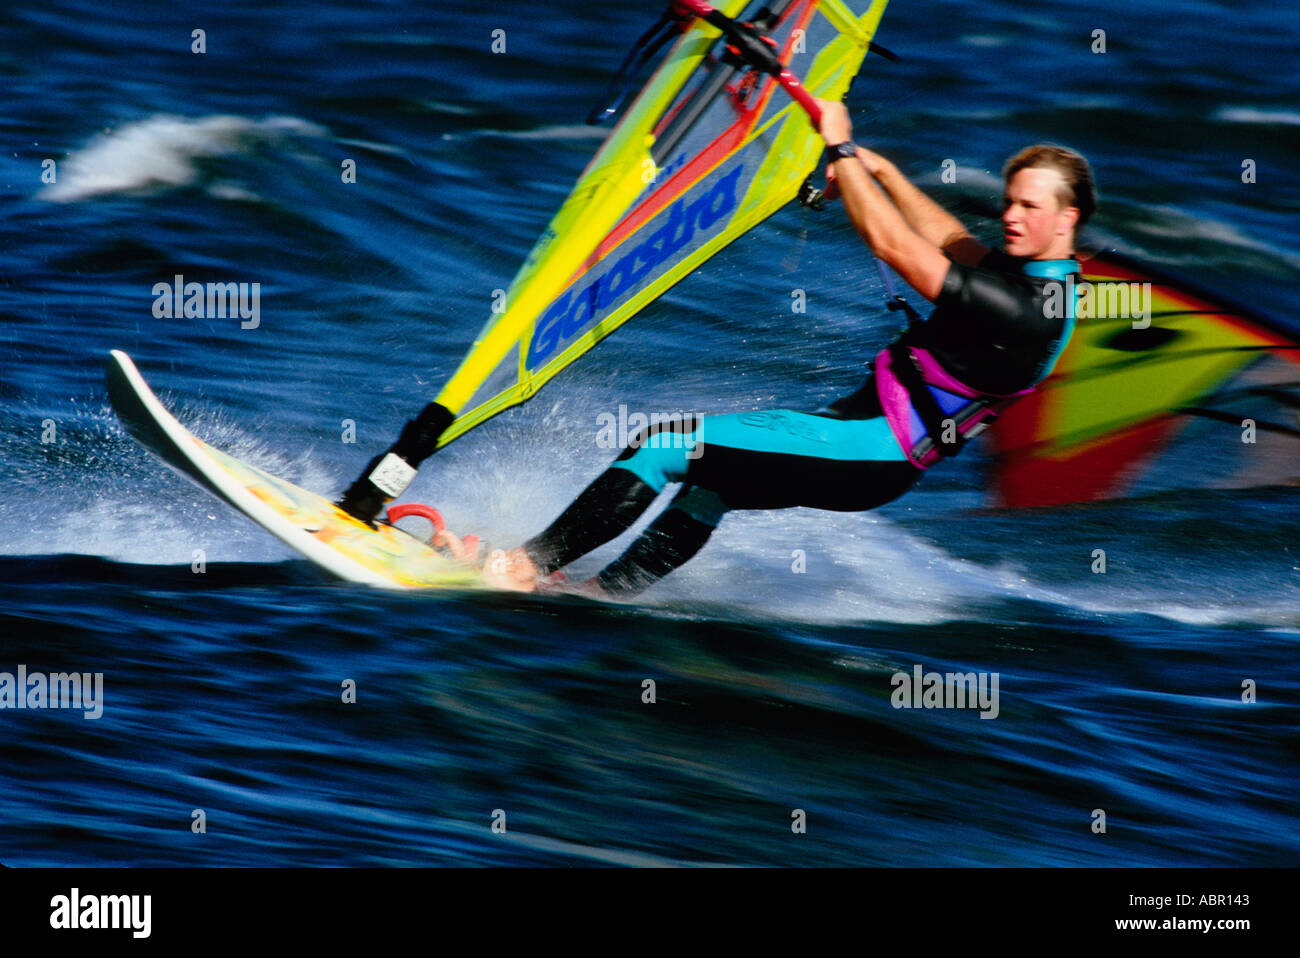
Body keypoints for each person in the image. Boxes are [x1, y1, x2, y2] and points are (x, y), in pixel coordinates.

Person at [443, 98, 1096, 596]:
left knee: (666, 445)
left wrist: (840, 150)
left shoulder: (1031, 310)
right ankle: (603, 596)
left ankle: (524, 566)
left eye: (1030, 208)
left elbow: (902, 251)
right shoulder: (1036, 276)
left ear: (1068, 219)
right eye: (1010, 202)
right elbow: (956, 244)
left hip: (869, 447)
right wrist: (886, 172)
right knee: (710, 485)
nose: (1012, 217)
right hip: (871, 447)